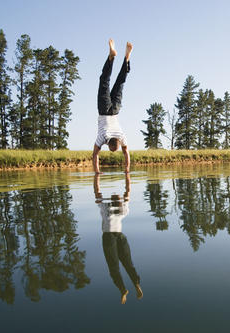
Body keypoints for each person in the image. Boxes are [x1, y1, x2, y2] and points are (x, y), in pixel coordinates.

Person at [94, 173, 143, 304]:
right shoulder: (123, 209)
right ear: (119, 200)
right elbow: (128, 190)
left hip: (109, 237)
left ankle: (123, 289)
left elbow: (97, 191)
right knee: (128, 263)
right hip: (120, 236)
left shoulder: (105, 207)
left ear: (111, 200)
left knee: (114, 267)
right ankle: (136, 284)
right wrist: (127, 177)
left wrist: (96, 177)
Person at [92, 39, 133, 174]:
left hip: (115, 110)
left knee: (120, 83)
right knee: (104, 81)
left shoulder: (121, 136)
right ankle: (111, 58)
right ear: (107, 144)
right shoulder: (102, 137)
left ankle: (126, 59)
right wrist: (97, 171)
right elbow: (95, 155)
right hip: (104, 110)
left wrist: (127, 168)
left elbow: (126, 153)